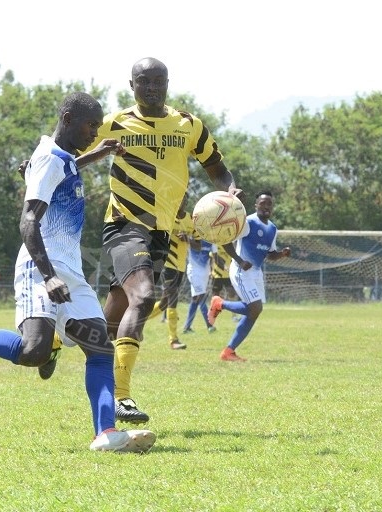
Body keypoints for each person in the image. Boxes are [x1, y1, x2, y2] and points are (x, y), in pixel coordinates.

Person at [0, 92, 155, 453]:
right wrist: (48, 275)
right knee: (33, 352)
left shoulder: (61, 158)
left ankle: (106, 433)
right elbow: (28, 223)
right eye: (91, 125)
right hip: (40, 268)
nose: (94, 131)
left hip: (69, 270)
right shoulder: (48, 159)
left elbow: (62, 170)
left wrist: (98, 154)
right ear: (68, 118)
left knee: (100, 349)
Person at [90, 57, 246, 424]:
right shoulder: (115, 123)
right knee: (144, 297)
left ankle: (55, 341)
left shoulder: (189, 125)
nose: (152, 88)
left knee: (111, 318)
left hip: (162, 230)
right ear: (132, 86)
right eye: (144, 82)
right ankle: (122, 397)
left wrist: (230, 191)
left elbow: (217, 168)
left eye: (158, 81)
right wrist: (39, 164)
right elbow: (70, 147)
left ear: (168, 83)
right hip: (126, 223)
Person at [208, 191, 290, 362]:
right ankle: (219, 303)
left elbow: (271, 254)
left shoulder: (273, 228)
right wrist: (239, 260)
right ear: (256, 205)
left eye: (269, 204)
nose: (266, 206)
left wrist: (282, 254)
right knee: (255, 308)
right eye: (263, 203)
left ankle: (229, 351)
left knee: (254, 312)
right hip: (241, 271)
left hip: (256, 273)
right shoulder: (247, 222)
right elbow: (225, 241)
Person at [147, 208, 193, 350]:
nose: (180, 201)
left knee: (164, 303)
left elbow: (198, 244)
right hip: (167, 263)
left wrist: (188, 239)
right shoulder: (167, 217)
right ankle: (174, 340)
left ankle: (135, 319)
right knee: (173, 299)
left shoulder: (191, 219)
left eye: (184, 198)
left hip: (181, 266)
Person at [181, 237, 217, 335]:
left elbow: (215, 256)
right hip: (194, 273)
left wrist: (214, 270)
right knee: (201, 298)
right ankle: (209, 325)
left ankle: (187, 327)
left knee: (195, 300)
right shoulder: (192, 236)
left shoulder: (211, 239)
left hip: (205, 274)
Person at [210, 244, 240, 321]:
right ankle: (213, 315)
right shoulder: (215, 244)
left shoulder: (230, 245)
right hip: (217, 274)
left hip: (228, 274)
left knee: (232, 293)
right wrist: (210, 270)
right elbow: (213, 258)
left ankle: (234, 315)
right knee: (215, 295)